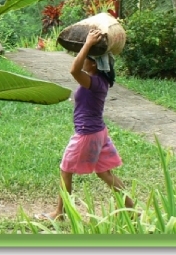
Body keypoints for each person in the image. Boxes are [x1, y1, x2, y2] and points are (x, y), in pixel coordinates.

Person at [37, 29, 134, 220]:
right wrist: (87, 45)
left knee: (66, 170)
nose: (84, 62)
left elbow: (73, 70)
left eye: (87, 59)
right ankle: (131, 210)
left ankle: (59, 213)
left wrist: (88, 43)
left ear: (94, 63)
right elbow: (78, 69)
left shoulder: (94, 82)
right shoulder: (100, 81)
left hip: (87, 134)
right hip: (99, 133)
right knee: (105, 173)